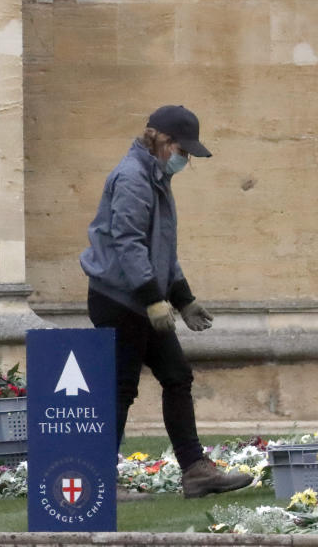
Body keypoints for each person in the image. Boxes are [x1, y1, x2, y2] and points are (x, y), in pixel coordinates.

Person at [79, 105, 253, 498]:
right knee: (120, 388)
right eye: (183, 150)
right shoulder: (133, 179)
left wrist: (183, 299)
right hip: (118, 300)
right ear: (161, 140)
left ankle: (195, 471)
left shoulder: (155, 178)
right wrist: (153, 300)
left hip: (139, 298)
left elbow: (162, 251)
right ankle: (99, 479)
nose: (185, 159)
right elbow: (128, 245)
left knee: (177, 376)